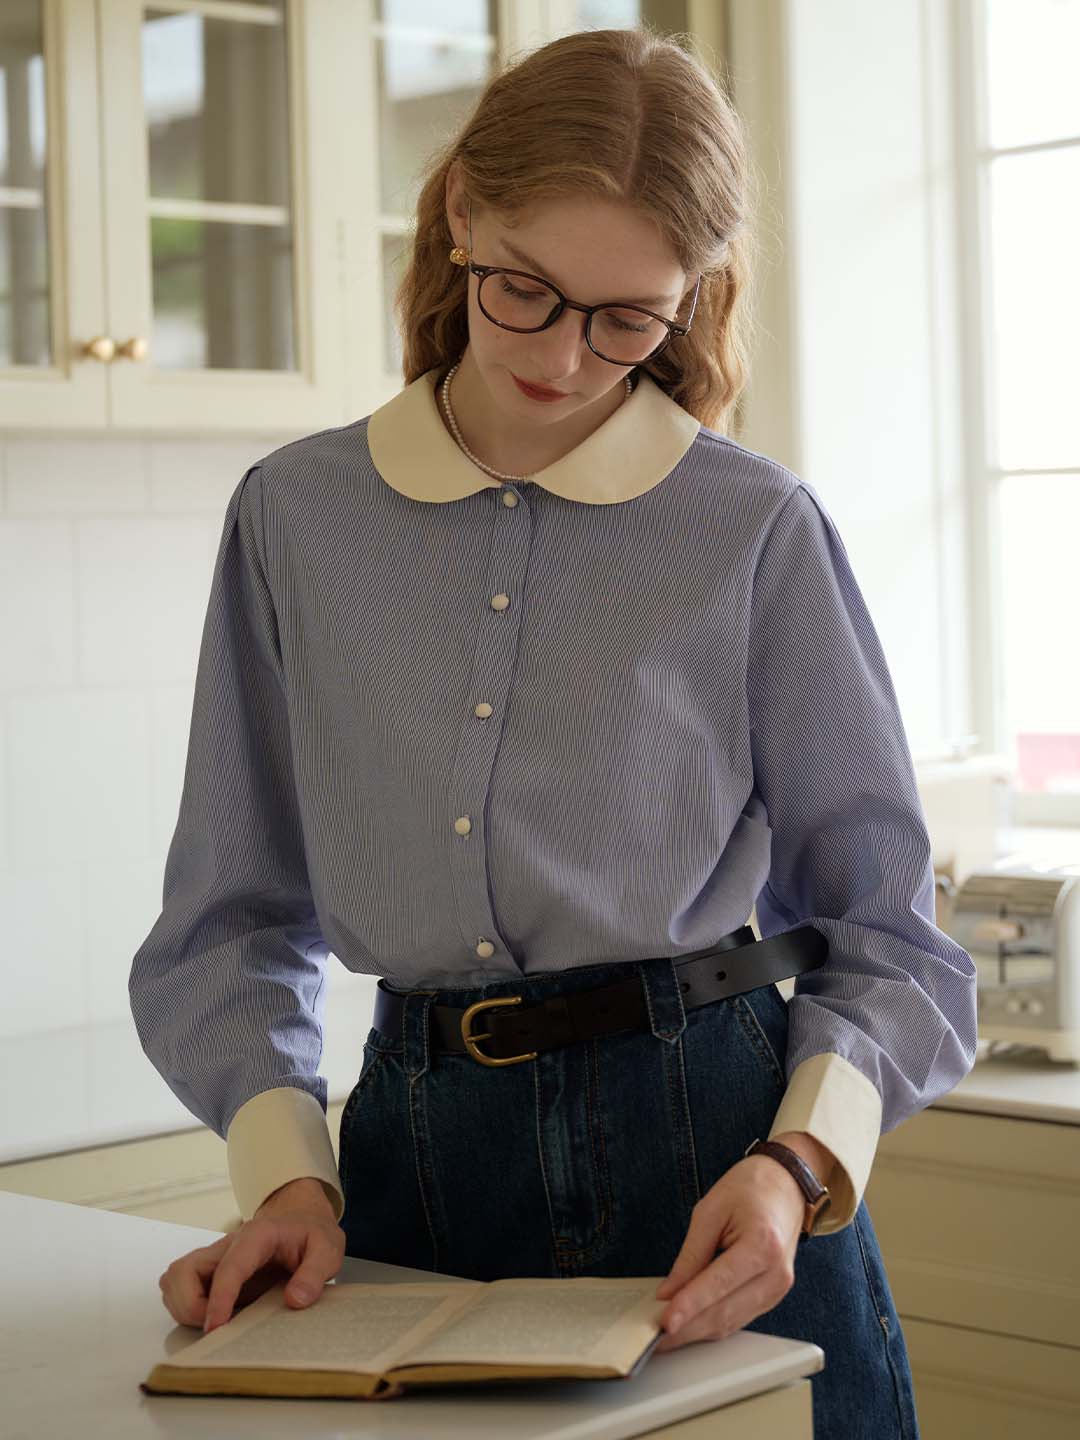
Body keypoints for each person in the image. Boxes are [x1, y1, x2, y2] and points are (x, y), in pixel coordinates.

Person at [130, 26, 977, 1439]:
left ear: (689, 298)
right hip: (412, 1173)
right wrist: (286, 1174)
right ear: (461, 211)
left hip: (717, 1162)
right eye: (525, 291)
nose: (570, 357)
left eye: (628, 317)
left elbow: (892, 934)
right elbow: (231, 915)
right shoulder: (295, 517)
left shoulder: (752, 530)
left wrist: (799, 1167)